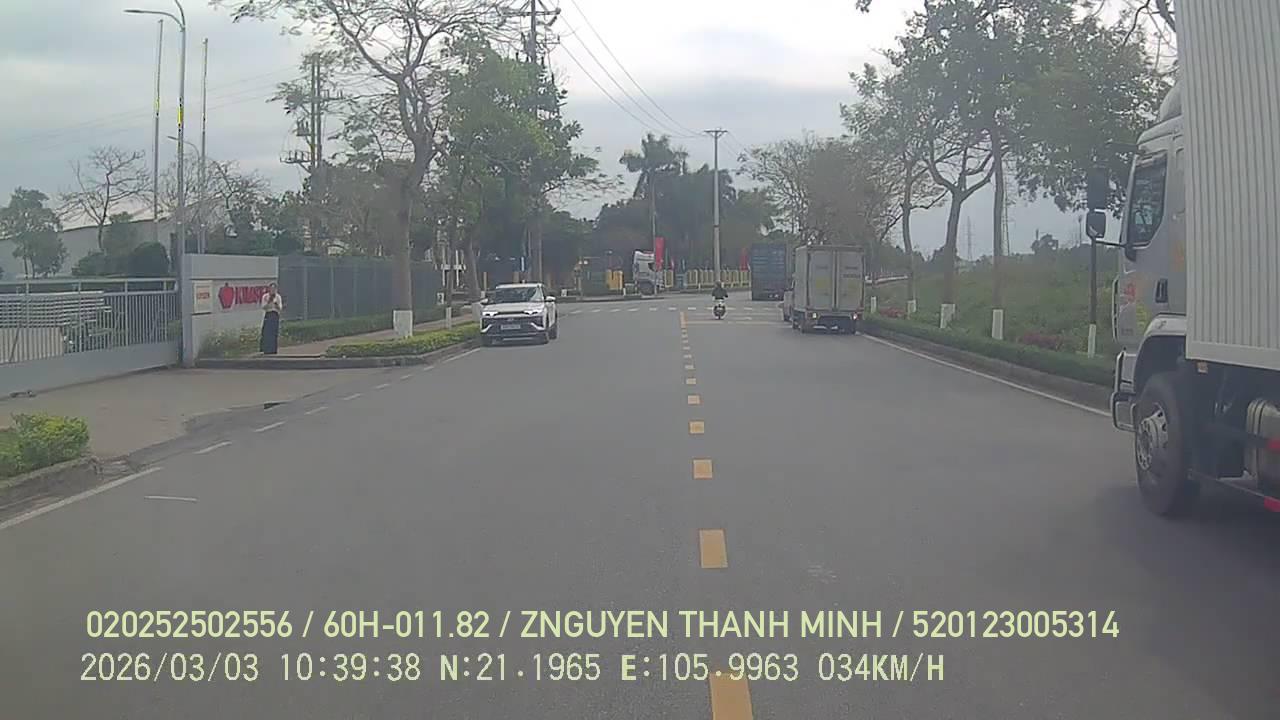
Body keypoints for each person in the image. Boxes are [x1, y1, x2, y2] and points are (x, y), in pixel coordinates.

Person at [259, 283, 284, 355]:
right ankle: (266, 349)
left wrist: (276, 304)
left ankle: (273, 349)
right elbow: (263, 307)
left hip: (275, 314)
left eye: (274, 289)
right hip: (268, 314)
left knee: (274, 332)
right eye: (271, 289)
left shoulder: (278, 297)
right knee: (267, 332)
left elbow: (280, 308)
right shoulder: (265, 296)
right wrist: (269, 302)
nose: (272, 290)